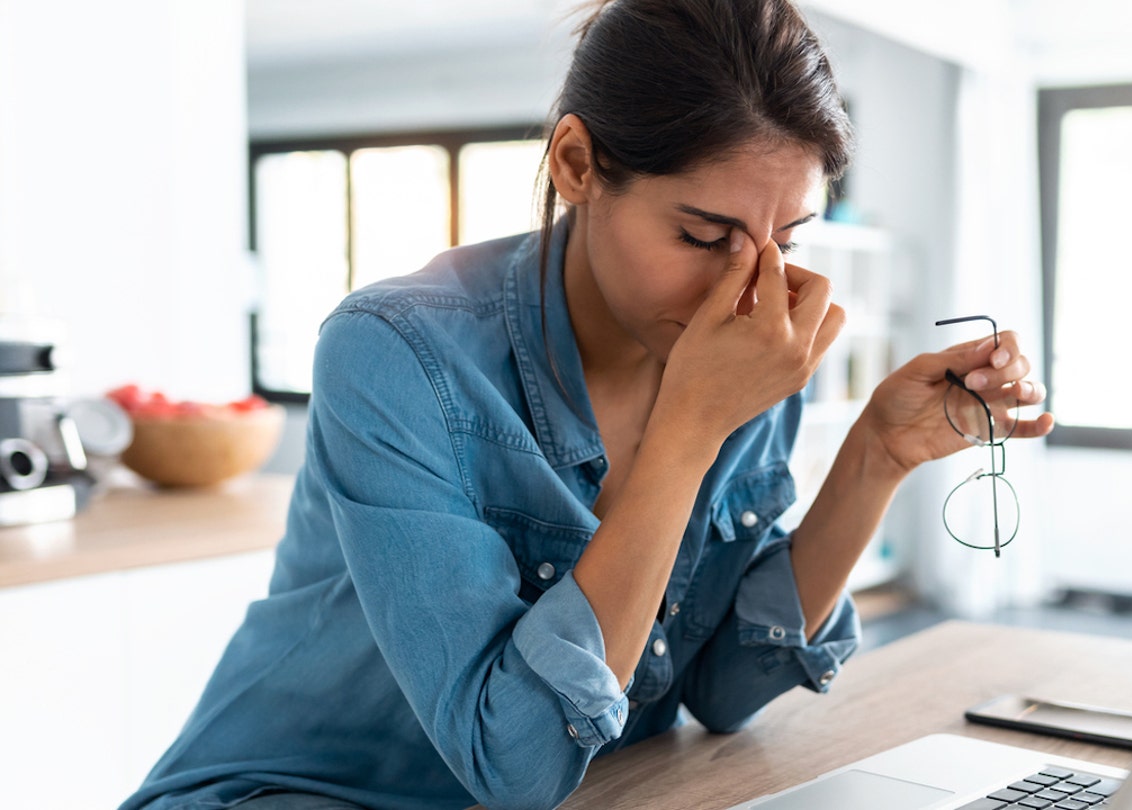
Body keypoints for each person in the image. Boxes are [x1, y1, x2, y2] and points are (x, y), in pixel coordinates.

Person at [121, 1, 1051, 808]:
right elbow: (513, 761)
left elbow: (723, 688)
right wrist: (688, 430)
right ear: (574, 162)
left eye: (788, 236)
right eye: (703, 233)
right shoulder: (396, 350)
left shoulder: (734, 346)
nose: (752, 289)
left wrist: (875, 457)